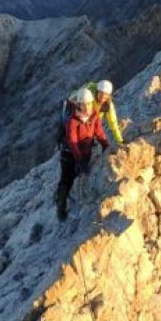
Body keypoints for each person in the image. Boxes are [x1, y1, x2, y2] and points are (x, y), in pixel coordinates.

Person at [57, 87, 109, 221]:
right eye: (84, 104)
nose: (87, 106)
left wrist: (106, 145)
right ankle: (61, 205)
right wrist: (79, 159)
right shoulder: (72, 120)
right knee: (66, 179)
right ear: (78, 104)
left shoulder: (94, 115)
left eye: (89, 103)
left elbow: (99, 132)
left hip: (85, 151)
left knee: (79, 175)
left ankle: (75, 196)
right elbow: (71, 141)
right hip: (69, 153)